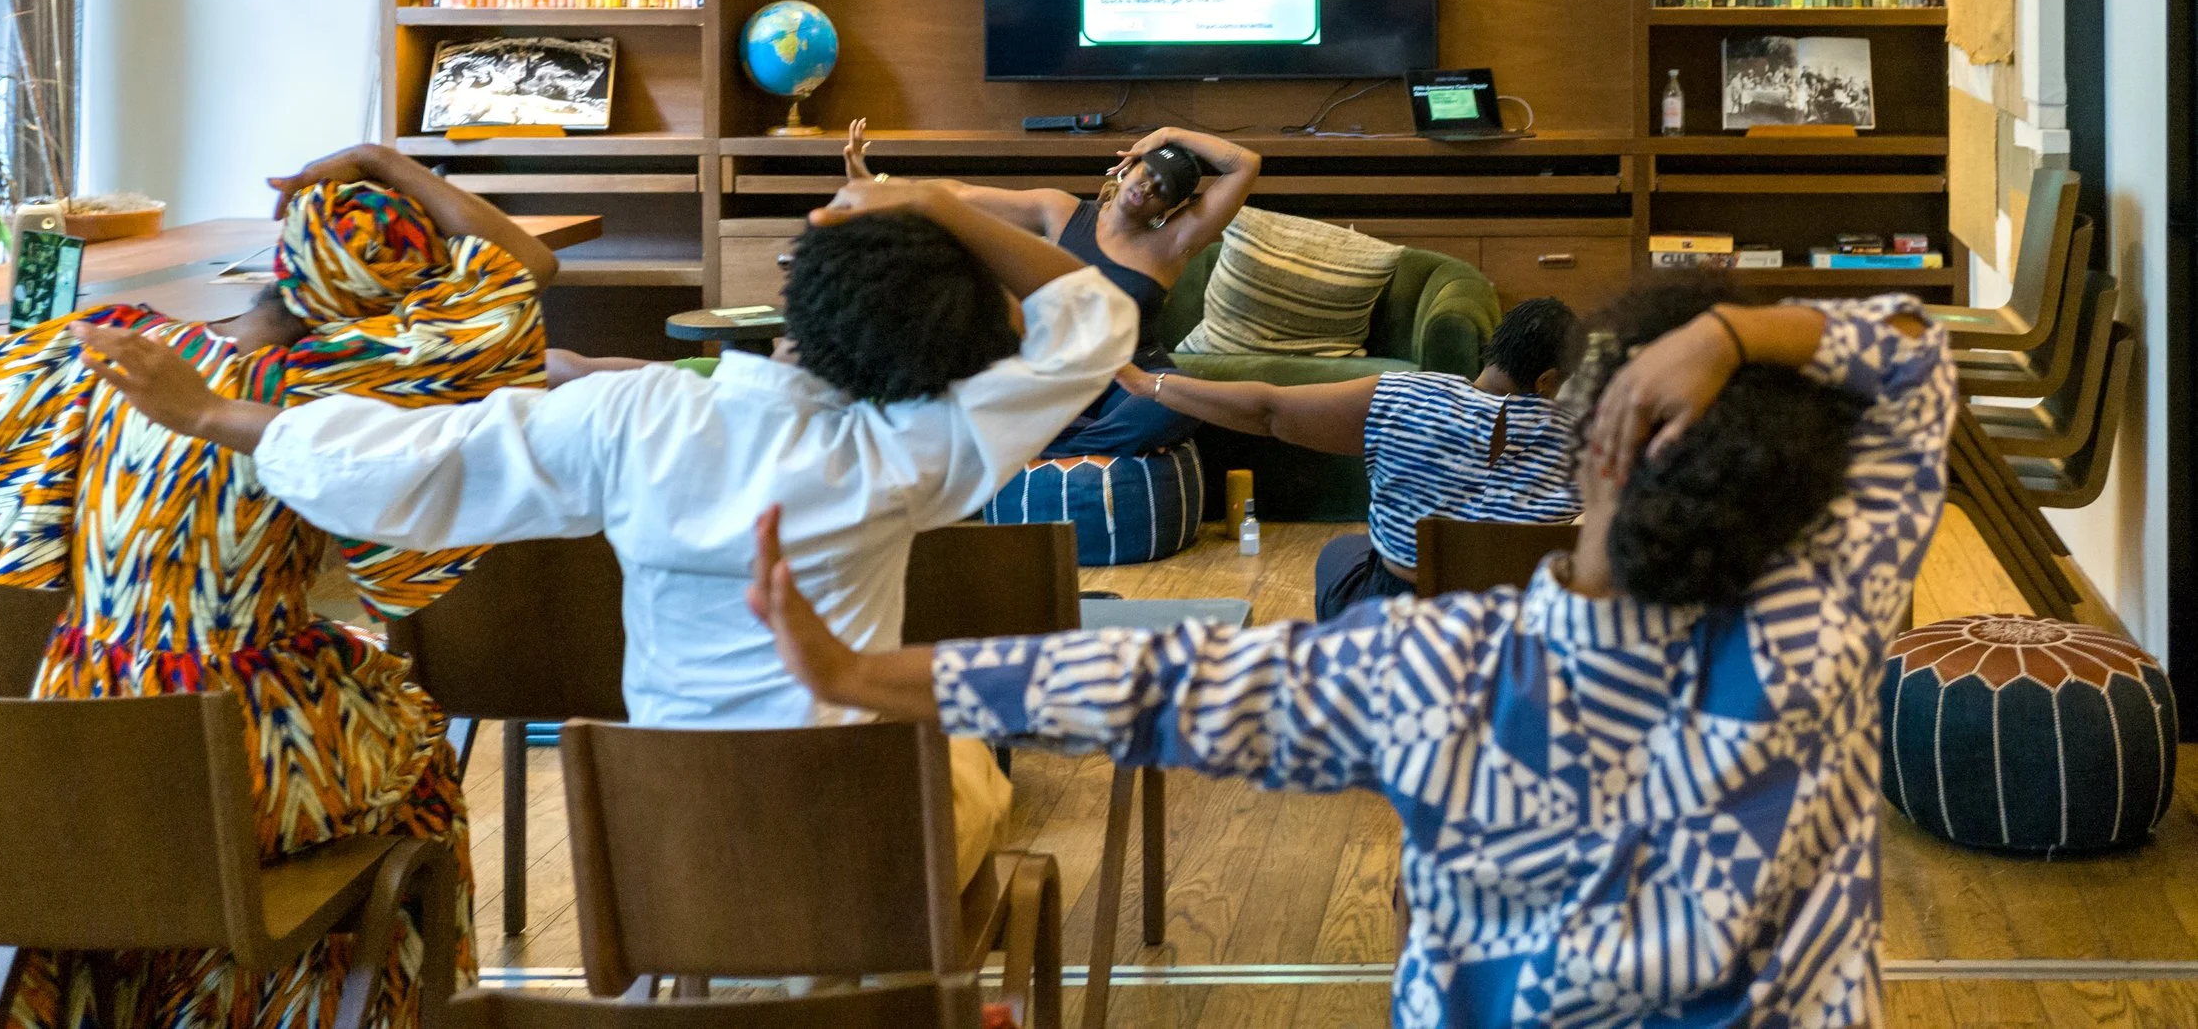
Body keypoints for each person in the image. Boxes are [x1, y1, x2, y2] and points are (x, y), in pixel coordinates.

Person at [745, 280, 1955, 1029]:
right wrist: (1735, 333)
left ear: (1595, 451)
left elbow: (1154, 683)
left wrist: (856, 674)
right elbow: (1915, 355)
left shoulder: (1422, 666)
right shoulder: (1834, 613)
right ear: (1806, 498)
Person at [63, 176, 1139, 890]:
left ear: (794, 299)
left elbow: (409, 460)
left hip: (661, 834)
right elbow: (1094, 320)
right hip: (861, 842)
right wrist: (940, 200)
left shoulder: (634, 417)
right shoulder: (918, 453)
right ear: (947, 361)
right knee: (967, 759)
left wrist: (211, 412)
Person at [0, 140, 556, 1029]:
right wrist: (385, 163)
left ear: (276, 271)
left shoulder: (124, 345)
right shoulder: (341, 386)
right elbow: (524, 268)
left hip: (75, 713)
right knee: (417, 772)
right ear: (386, 304)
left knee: (142, 844)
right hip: (240, 725)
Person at [1115, 295, 1581, 617]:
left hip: (1400, 613)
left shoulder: (1402, 396)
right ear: (1547, 380)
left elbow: (1268, 410)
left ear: (1496, 348)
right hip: (1517, 626)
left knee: (1340, 552)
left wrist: (1150, 384)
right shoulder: (1587, 443)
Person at [850, 119, 1259, 455]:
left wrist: (1170, 134)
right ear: (1127, 167)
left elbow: (1245, 164)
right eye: (1147, 172)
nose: (1148, 187)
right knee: (955, 391)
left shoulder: (1173, 243)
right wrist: (878, 183)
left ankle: (1045, 449)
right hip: (1055, 371)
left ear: (1168, 207)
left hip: (1129, 376)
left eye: (1162, 190)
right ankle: (1069, 445)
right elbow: (959, 196)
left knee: (1177, 407)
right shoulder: (1061, 211)